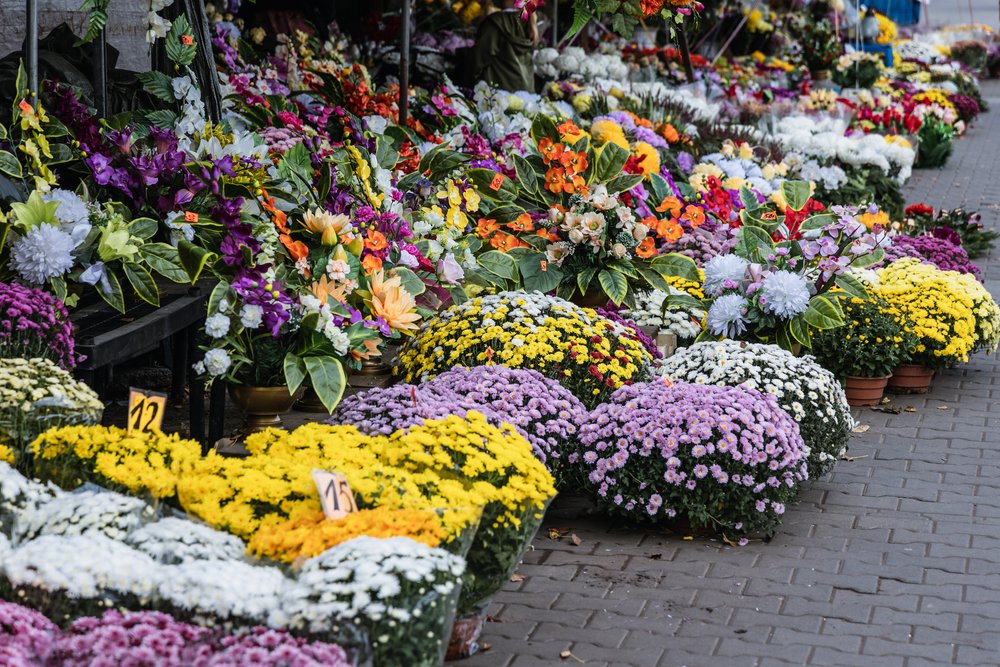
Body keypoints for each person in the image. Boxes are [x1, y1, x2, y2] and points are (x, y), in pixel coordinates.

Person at [470, 0, 538, 92]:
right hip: (527, 94)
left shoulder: (495, 22)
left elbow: (478, 59)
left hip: (499, 94)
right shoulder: (529, 21)